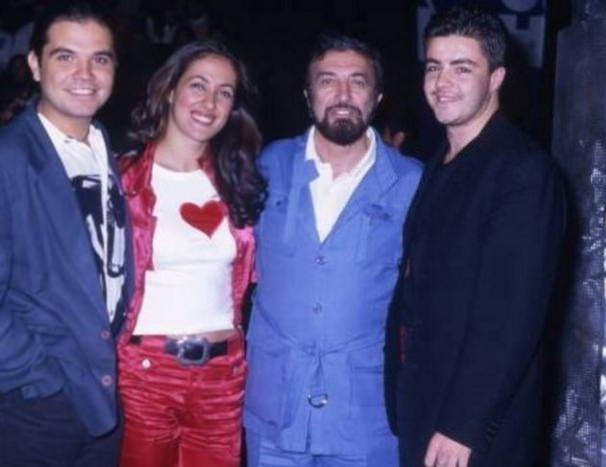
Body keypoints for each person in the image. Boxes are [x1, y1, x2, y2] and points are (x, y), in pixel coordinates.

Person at [387, 6, 566, 467]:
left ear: (496, 77)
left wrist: (463, 425)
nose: (442, 82)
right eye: (434, 67)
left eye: (462, 68)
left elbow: (511, 314)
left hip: (472, 431)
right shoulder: (440, 162)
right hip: (425, 403)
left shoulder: (521, 170)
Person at [245, 34, 423, 466]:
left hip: (365, 417)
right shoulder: (265, 166)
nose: (343, 95)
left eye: (357, 82)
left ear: (377, 98)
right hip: (275, 410)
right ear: (308, 96)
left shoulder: (414, 182)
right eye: (328, 81)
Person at [117, 39, 266, 467]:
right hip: (144, 373)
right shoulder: (121, 179)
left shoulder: (240, 180)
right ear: (170, 90)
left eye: (224, 92)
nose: (210, 102)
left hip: (223, 375)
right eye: (198, 85)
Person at [0, 1, 132, 465]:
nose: (85, 74)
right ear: (34, 65)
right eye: (65, 56)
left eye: (100, 58)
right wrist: (38, 379)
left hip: (102, 396)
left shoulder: (103, 146)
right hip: (36, 404)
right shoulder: (10, 157)